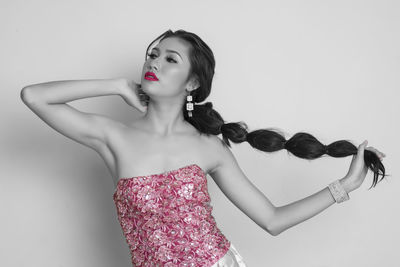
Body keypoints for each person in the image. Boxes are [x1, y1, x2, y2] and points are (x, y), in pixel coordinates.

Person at [20, 29, 386, 267]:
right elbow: (34, 97)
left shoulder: (209, 146)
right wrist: (115, 84)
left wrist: (344, 187)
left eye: (170, 59)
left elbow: (273, 220)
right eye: (152, 53)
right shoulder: (112, 136)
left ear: (193, 82)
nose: (154, 62)